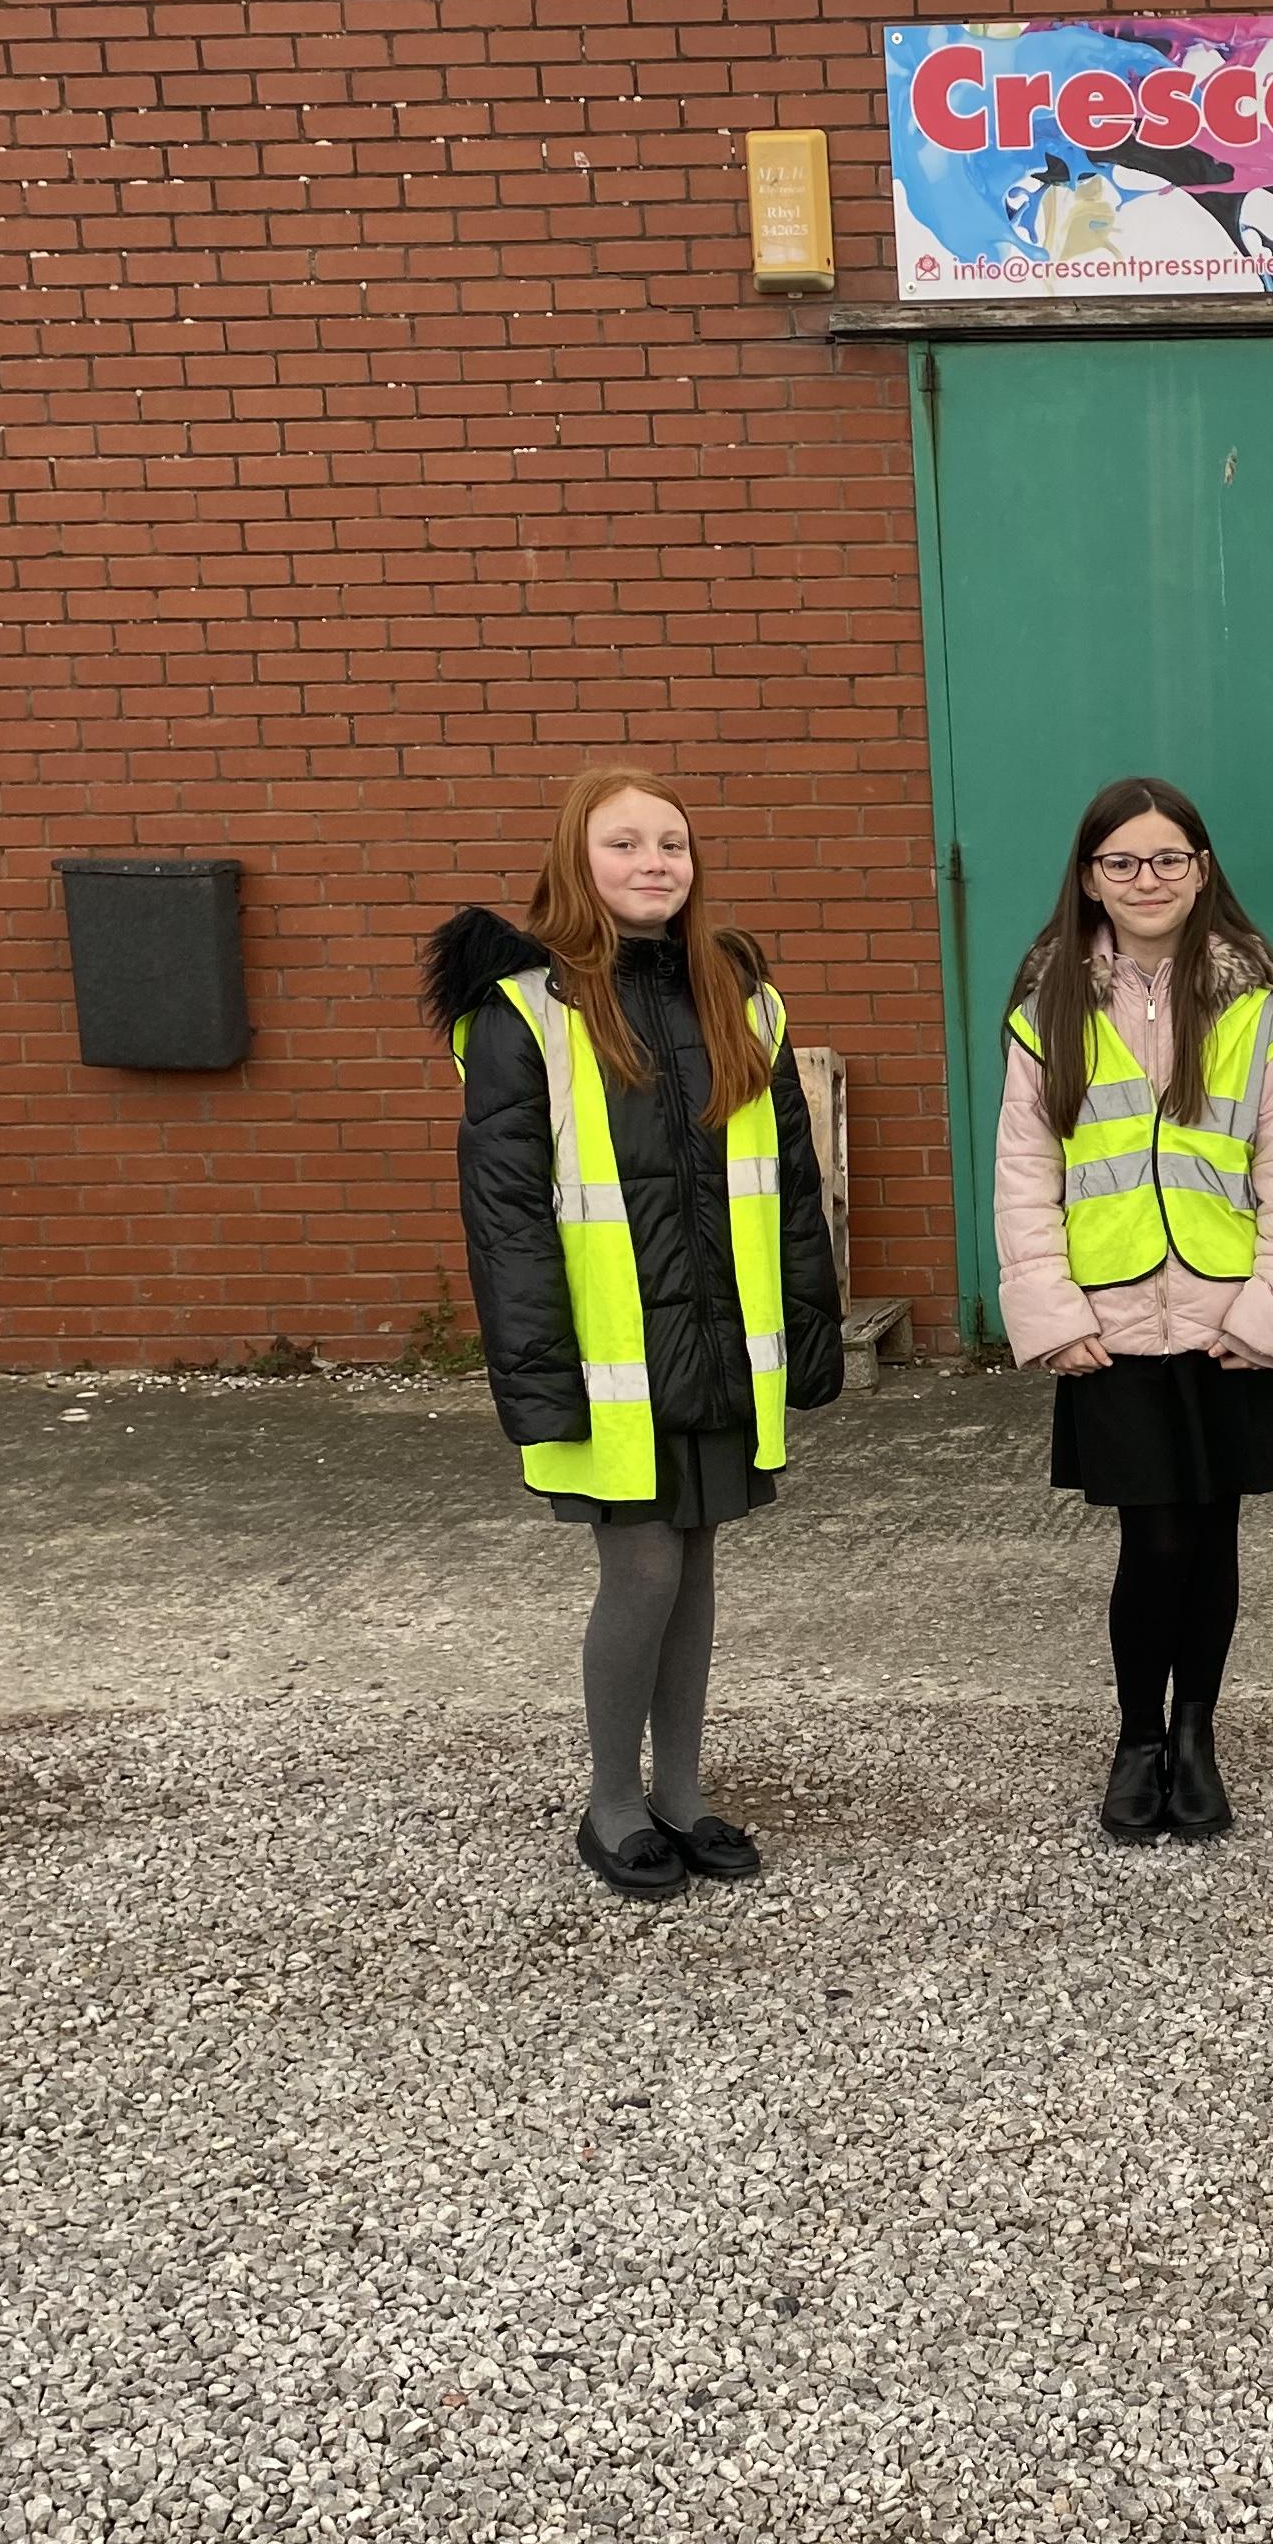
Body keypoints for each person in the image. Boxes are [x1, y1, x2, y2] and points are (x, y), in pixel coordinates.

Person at [424, 768, 846, 1899]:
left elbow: (790, 1188)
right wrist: (539, 1381)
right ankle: (613, 1801)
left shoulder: (742, 999)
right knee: (645, 1568)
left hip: (722, 1344)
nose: (655, 863)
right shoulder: (523, 1012)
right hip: (609, 1362)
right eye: (624, 843)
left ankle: (684, 1794)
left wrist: (812, 1334)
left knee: (694, 1566)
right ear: (576, 859)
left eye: (672, 843)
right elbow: (507, 1222)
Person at [995, 778, 1273, 1842]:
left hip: (1229, 1324)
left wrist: (1272, 1313)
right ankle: (1138, 1738)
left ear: (1202, 869)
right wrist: (1051, 1311)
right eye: (1123, 862)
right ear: (1091, 878)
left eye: (1169, 859)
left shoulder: (1258, 1009)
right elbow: (1025, 1173)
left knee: (1213, 1538)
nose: (1148, 879)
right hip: (1112, 1327)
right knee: (1154, 1543)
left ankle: (1196, 1737)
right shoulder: (1047, 1009)